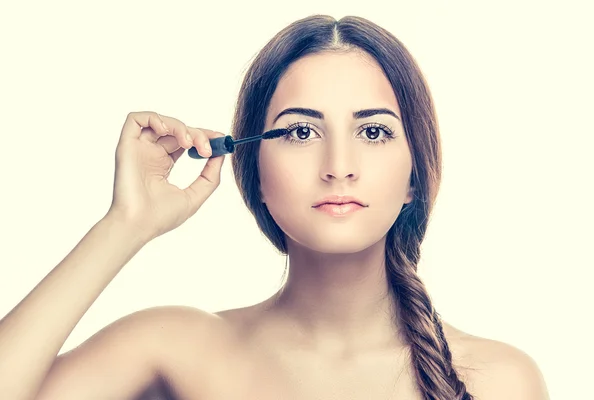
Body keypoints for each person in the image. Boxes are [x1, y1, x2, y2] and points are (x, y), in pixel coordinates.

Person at [0, 14, 549, 400]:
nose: (339, 164)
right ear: (253, 171)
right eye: (302, 131)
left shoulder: (500, 380)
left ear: (414, 176)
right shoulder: (175, 346)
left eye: (374, 131)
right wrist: (125, 225)